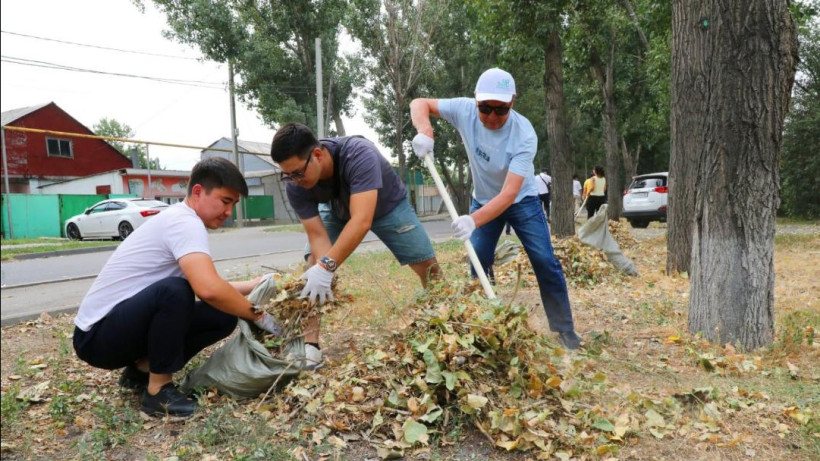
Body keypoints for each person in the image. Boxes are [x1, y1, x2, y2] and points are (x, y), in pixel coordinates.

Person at [73, 157, 284, 418]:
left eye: (234, 204)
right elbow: (207, 289)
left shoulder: (180, 219)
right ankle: (157, 393)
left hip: (115, 328)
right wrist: (259, 315)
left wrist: (252, 286)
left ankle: (141, 371)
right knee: (175, 291)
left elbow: (211, 284)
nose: (229, 212)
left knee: (221, 315)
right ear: (197, 192)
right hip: (97, 337)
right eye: (225, 201)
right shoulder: (185, 222)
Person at [409, 67, 582, 350]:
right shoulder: (464, 110)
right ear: (476, 99)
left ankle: (565, 329)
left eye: (500, 109)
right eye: (485, 108)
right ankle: (488, 320)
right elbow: (420, 103)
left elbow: (509, 193)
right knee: (478, 257)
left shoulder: (524, 134)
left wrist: (473, 220)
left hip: (521, 201)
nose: (491, 116)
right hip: (483, 198)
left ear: (513, 101)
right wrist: (425, 131)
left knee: (543, 259)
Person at [270, 123, 441, 317]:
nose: (294, 181)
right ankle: (311, 344)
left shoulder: (359, 154)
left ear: (317, 155)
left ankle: (445, 314)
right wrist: (322, 269)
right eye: (287, 175)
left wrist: (328, 266)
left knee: (428, 268)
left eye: (298, 173)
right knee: (312, 266)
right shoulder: (294, 184)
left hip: (388, 206)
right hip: (337, 209)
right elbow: (317, 235)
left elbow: (361, 220)